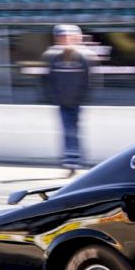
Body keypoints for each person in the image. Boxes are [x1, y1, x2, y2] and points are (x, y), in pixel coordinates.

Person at [42, 24, 94, 178]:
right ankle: (71, 162)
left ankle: (75, 162)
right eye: (61, 36)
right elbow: (47, 81)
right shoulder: (52, 56)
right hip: (62, 102)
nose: (64, 39)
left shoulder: (83, 56)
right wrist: (54, 98)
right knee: (67, 132)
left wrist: (82, 98)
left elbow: (90, 81)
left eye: (67, 36)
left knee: (74, 132)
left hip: (76, 102)